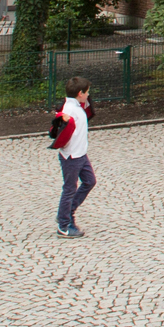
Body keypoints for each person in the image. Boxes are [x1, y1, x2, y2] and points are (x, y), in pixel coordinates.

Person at [50, 76, 96, 238]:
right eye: (87, 92)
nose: (89, 95)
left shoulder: (76, 105)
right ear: (80, 93)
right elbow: (62, 129)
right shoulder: (69, 110)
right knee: (69, 189)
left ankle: (67, 212)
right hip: (71, 156)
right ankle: (64, 226)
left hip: (81, 154)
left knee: (90, 181)